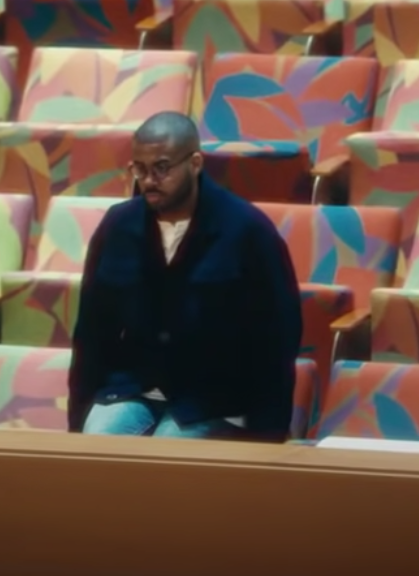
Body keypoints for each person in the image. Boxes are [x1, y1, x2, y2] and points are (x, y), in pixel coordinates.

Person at [67, 111, 303, 442]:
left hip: (215, 399)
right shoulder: (118, 226)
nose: (149, 180)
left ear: (195, 163)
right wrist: (77, 424)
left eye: (162, 168)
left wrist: (268, 437)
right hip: (134, 389)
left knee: (169, 451)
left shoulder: (248, 230)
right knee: (97, 443)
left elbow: (277, 341)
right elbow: (91, 333)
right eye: (140, 169)